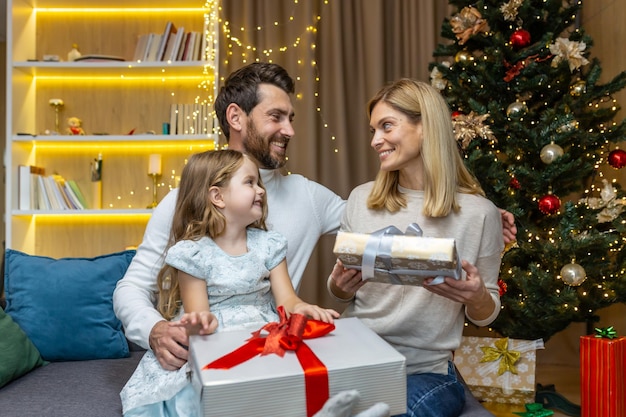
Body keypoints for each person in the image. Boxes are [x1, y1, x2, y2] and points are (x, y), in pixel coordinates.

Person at [113, 62, 518, 372]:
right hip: (209, 351)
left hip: (274, 357)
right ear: (236, 118)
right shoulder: (186, 199)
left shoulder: (309, 195)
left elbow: (388, 220)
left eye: (291, 118)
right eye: (276, 117)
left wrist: (476, 212)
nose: (289, 130)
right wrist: (154, 330)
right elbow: (131, 287)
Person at [327, 79, 505, 417]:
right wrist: (338, 285)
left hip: (426, 371)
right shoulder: (361, 200)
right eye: (373, 129)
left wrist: (476, 296)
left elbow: (487, 312)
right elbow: (339, 292)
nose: (375, 140)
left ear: (424, 127)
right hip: (356, 358)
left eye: (386, 126)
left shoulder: (480, 213)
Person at [120, 149, 339, 416]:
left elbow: (287, 300)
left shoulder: (269, 245)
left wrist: (302, 308)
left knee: (287, 384)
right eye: (250, 182)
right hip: (216, 340)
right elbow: (198, 313)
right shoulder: (192, 253)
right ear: (217, 196)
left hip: (262, 334)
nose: (260, 190)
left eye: (259, 182)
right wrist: (201, 323)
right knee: (200, 397)